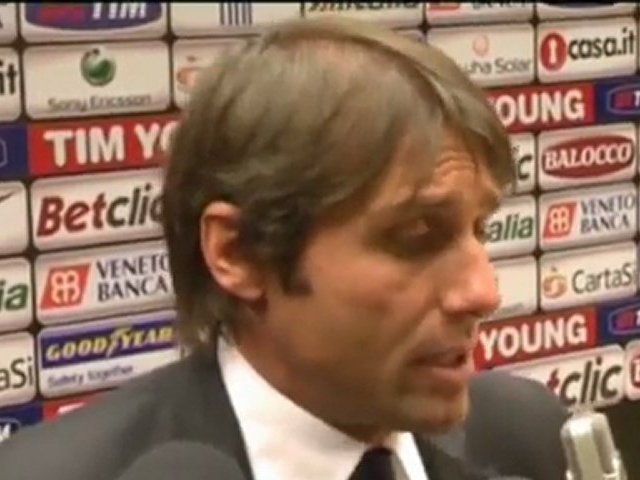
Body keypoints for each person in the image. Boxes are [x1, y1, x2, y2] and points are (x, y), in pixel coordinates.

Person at [1, 16, 516, 480]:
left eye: (480, 228)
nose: (483, 292)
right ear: (238, 253)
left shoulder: (519, 439)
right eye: (416, 236)